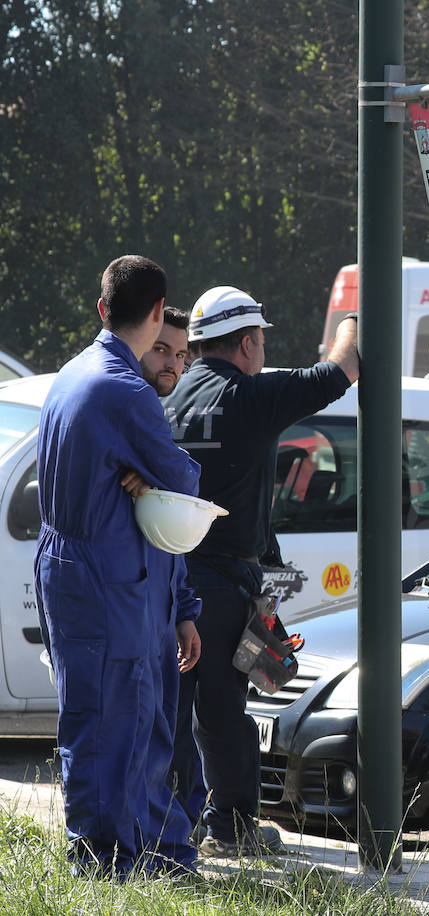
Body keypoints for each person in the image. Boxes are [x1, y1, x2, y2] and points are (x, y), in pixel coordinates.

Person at [165, 284, 360, 856]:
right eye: (262, 342)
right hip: (221, 587)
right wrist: (353, 312)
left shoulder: (169, 400)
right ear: (249, 343)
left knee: (175, 711)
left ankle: (176, 824)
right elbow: (343, 365)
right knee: (225, 712)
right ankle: (232, 825)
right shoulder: (251, 396)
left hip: (170, 583)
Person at [34, 254, 203, 876]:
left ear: (103, 308)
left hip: (80, 571)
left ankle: (152, 852)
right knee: (112, 727)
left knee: (109, 720)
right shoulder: (124, 389)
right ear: (158, 312)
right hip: (108, 582)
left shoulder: (75, 371)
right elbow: (183, 481)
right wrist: (151, 479)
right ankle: (108, 864)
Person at [132, 304, 207, 830]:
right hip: (122, 605)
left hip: (159, 608)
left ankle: (163, 842)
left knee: (162, 736)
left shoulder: (154, 414)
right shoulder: (118, 404)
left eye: (182, 355)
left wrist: (184, 613)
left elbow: (169, 537)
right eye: (163, 349)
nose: (173, 365)